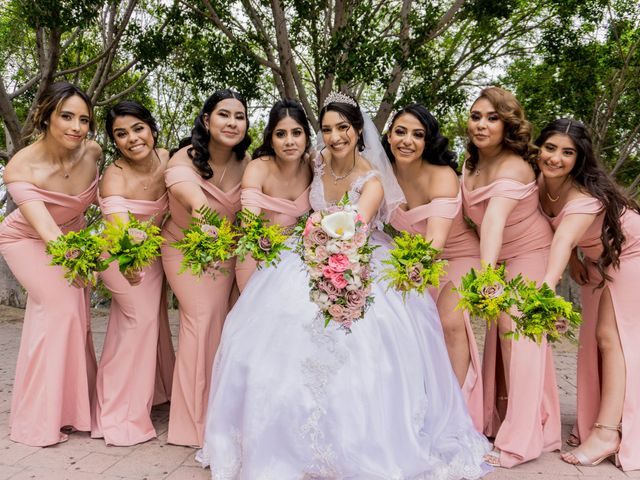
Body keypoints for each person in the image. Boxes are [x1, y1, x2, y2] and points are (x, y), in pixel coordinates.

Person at [196, 93, 490, 478]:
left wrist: (329, 254)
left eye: (343, 128)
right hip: (301, 253)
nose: (335, 137)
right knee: (273, 328)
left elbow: (355, 228)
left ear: (357, 131)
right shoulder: (313, 162)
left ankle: (359, 437)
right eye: (328, 129)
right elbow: (284, 170)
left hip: (354, 255)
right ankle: (279, 436)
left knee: (367, 338)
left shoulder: (372, 179)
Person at [461, 86, 561, 467]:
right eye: (476, 116)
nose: (481, 125)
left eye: (492, 118)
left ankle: (525, 438)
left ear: (508, 125)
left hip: (530, 252)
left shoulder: (515, 165)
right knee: (502, 338)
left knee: (517, 335)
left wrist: (486, 276)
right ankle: (517, 418)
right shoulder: (470, 163)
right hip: (498, 254)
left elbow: (494, 220)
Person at [0, 82, 101, 446]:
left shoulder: (93, 151)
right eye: (67, 116)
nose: (76, 127)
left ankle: (73, 410)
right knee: (59, 306)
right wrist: (80, 262)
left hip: (70, 236)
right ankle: (37, 420)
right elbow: (45, 230)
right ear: (47, 115)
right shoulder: (21, 164)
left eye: (84, 119)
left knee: (76, 311)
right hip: (27, 239)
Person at [536, 118, 640, 470]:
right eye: (550, 148)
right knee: (591, 341)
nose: (555, 158)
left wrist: (549, 284)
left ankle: (608, 433)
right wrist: (581, 258)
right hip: (599, 257)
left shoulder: (582, 196)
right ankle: (597, 422)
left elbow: (564, 237)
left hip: (631, 253)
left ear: (579, 160)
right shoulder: (540, 183)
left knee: (610, 338)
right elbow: (563, 233)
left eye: (568, 153)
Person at [385, 103, 483, 432]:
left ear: (428, 141)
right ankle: (418, 400)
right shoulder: (383, 175)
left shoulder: (441, 174)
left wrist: (413, 268)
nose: (407, 141)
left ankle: (454, 408)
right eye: (401, 132)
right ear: (388, 135)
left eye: (418, 134)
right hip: (418, 259)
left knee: (449, 320)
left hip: (459, 256)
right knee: (403, 322)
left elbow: (437, 239)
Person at [161, 89, 251, 447]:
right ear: (206, 120)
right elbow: (191, 197)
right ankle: (193, 424)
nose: (232, 122)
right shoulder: (184, 159)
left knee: (231, 327)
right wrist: (204, 218)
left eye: (239, 116)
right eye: (224, 114)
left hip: (233, 253)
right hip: (188, 249)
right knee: (202, 321)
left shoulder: (250, 164)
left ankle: (226, 415)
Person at [91, 100, 175, 446]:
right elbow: (121, 229)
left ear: (151, 128)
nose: (132, 139)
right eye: (120, 134)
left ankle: (154, 393)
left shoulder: (170, 159)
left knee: (152, 324)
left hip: (155, 255)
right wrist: (132, 263)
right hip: (120, 257)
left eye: (138, 128)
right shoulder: (115, 175)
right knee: (137, 323)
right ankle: (117, 414)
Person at [234, 99, 313, 291]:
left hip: (299, 262)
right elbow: (249, 223)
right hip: (258, 257)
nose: (289, 141)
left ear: (306, 137)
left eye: (296, 133)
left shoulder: (313, 166)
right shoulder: (258, 168)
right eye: (280, 134)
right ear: (271, 139)